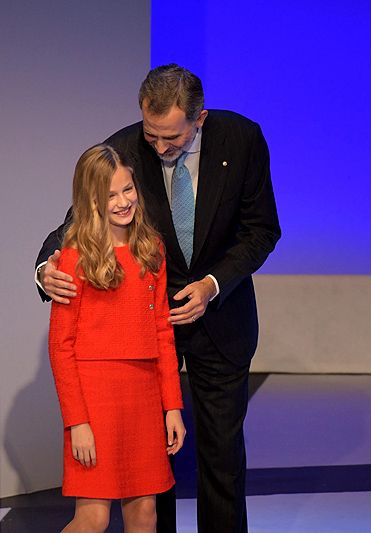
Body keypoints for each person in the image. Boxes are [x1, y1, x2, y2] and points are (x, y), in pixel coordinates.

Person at [37, 64, 280, 533]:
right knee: (152, 484)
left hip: (221, 319)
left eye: (172, 137)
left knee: (222, 458)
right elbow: (73, 222)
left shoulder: (242, 140)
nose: (160, 147)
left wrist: (212, 284)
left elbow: (262, 229)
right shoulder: (126, 148)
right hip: (149, 335)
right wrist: (46, 265)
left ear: (199, 119)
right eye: (152, 134)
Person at [47, 144, 187, 533]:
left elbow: (162, 332)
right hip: (95, 403)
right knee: (93, 518)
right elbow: (61, 347)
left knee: (145, 515)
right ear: (90, 199)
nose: (123, 201)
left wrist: (172, 406)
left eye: (128, 190)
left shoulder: (151, 250)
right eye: (110, 195)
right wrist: (77, 422)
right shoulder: (74, 258)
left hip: (143, 398)